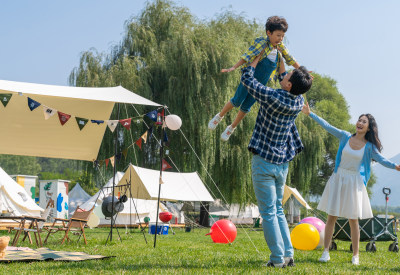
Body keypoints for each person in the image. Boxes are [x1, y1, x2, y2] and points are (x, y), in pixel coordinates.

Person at [302, 103, 400, 265]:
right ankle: (325, 251)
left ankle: (356, 255)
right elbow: (327, 126)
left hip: (354, 182)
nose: (360, 123)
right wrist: (310, 113)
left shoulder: (369, 147)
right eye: (359, 120)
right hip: (338, 177)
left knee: (353, 220)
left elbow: (382, 160)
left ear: (369, 128)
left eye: (364, 122)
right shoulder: (345, 136)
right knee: (331, 216)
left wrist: (395, 166)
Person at [241, 50, 312, 268]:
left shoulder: (272, 97)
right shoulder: (298, 102)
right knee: (278, 210)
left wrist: (256, 56)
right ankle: (288, 255)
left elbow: (247, 79)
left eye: (288, 76)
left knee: (268, 212)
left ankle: (277, 259)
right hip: (282, 163)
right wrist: (281, 57)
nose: (284, 76)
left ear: (289, 85)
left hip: (264, 161)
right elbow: (284, 80)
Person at [208, 16, 300, 141]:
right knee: (236, 101)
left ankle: (232, 127)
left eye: (282, 36)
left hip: (260, 84)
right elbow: (248, 55)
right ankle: (219, 116)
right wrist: (234, 67)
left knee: (246, 107)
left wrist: (301, 70)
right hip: (249, 78)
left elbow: (290, 59)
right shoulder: (262, 43)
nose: (280, 39)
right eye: (278, 35)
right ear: (269, 33)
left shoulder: (280, 48)